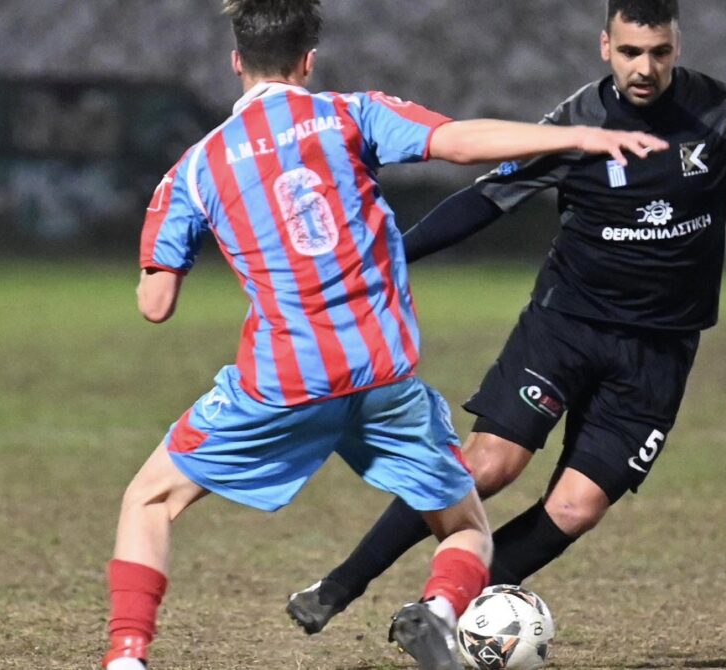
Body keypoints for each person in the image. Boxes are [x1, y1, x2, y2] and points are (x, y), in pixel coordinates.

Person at [285, 0, 726, 636]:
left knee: (576, 508)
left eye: (659, 53)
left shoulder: (719, 113)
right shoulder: (577, 124)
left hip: (660, 351)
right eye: (630, 52)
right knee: (490, 464)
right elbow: (485, 201)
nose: (644, 67)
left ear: (677, 47)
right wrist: (391, 259)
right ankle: (339, 585)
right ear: (605, 46)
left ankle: (443, 610)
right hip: (567, 327)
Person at [100, 1, 667, 669]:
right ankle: (439, 611)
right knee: (466, 527)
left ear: (236, 62)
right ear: (307, 61)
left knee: (150, 498)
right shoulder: (350, 115)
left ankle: (127, 656)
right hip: (383, 376)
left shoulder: (196, 169)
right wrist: (577, 136)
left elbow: (156, 303)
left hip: (284, 382)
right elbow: (458, 142)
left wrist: (167, 254)